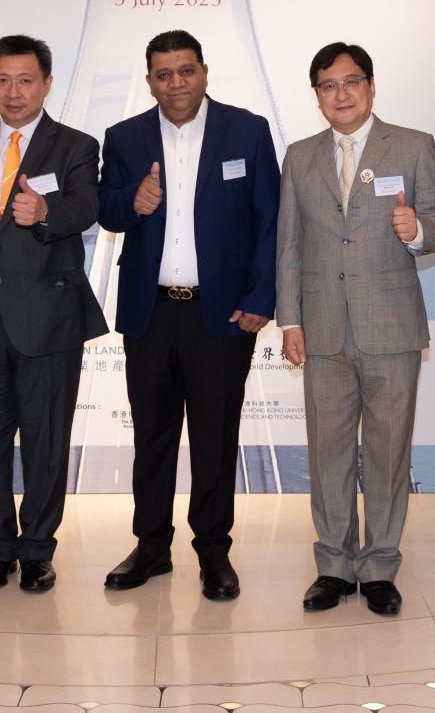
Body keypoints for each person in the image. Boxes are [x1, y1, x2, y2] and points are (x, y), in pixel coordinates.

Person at [96, 30, 281, 600]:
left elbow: (270, 220)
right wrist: (132, 201)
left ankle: (213, 551)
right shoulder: (124, 137)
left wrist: (261, 298)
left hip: (222, 314)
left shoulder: (246, 130)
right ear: (150, 81)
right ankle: (151, 546)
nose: (176, 83)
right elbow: (106, 209)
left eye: (186, 71)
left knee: (214, 437)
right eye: (163, 74)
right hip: (150, 312)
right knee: (152, 436)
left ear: (204, 72)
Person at [276, 41, 435, 616]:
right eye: (328, 85)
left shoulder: (414, 145)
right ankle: (333, 564)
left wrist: (416, 229)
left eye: (351, 82)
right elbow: (288, 245)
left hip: (391, 328)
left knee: (387, 453)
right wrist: (290, 319)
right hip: (322, 328)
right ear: (317, 96)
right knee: (327, 453)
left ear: (371, 87)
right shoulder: (299, 156)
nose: (341, 94)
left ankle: (379, 566)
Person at [0, 34, 107, 592]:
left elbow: (87, 207)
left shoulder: (75, 145)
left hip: (49, 319)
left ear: (47, 84)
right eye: (2, 80)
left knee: (45, 440)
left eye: (26, 80)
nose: (14, 92)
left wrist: (46, 210)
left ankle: (36, 549)